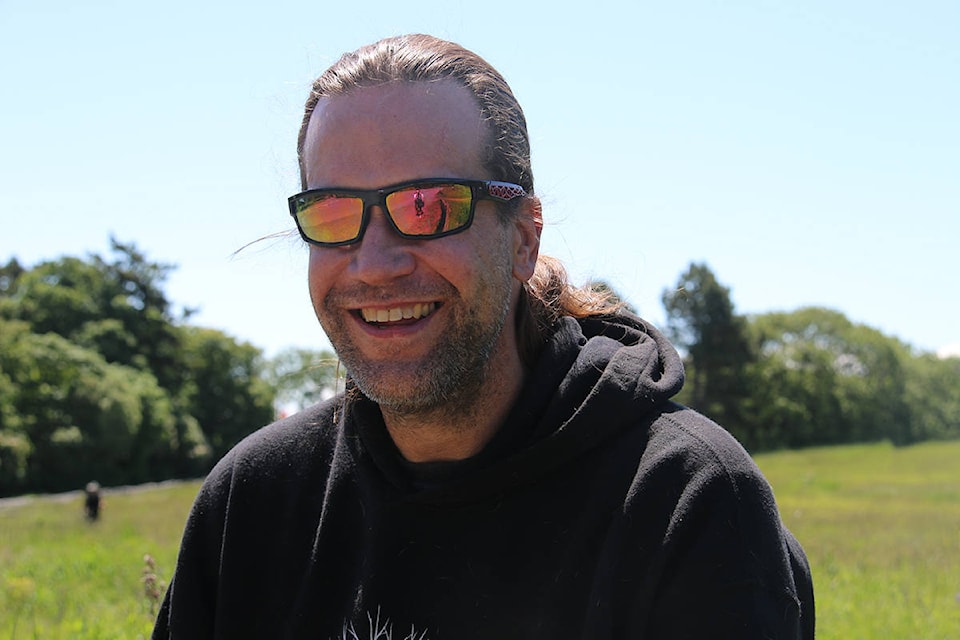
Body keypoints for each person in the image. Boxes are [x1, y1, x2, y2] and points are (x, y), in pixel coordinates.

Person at [154, 34, 814, 639]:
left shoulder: (686, 502)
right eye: (332, 213)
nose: (375, 264)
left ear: (523, 238)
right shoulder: (253, 504)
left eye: (428, 206)